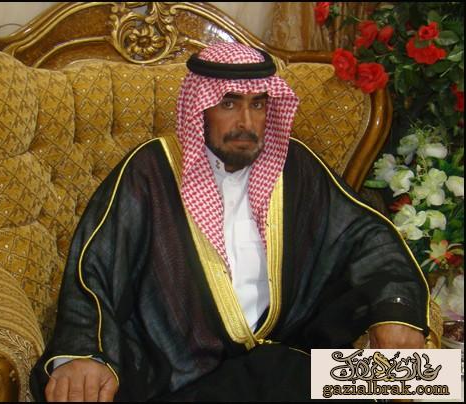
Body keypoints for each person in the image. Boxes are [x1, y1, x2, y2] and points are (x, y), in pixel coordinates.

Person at [30, 42, 429, 402]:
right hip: (179, 375)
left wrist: (395, 309)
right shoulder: (151, 171)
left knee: (424, 378)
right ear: (200, 107)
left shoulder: (294, 166)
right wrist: (83, 353)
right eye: (229, 104)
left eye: (258, 105)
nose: (246, 123)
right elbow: (96, 268)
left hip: (288, 360)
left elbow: (366, 235)